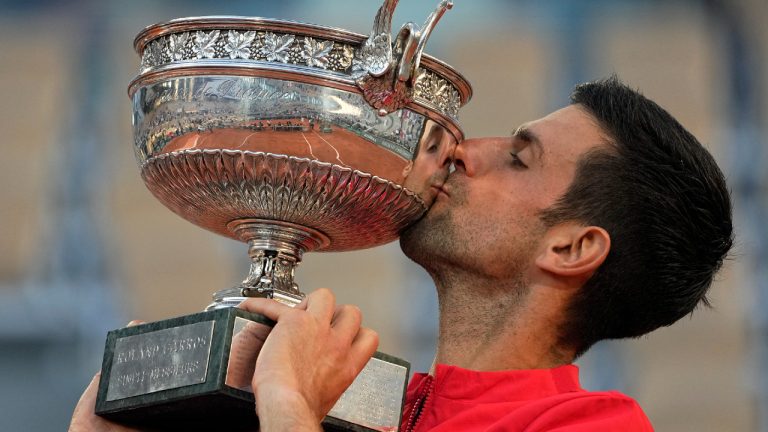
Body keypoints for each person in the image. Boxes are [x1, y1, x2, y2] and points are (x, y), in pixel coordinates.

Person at [69, 76, 733, 431]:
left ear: (572, 247)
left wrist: (289, 405)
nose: (466, 150)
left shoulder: (592, 430)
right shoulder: (371, 403)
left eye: (518, 158)